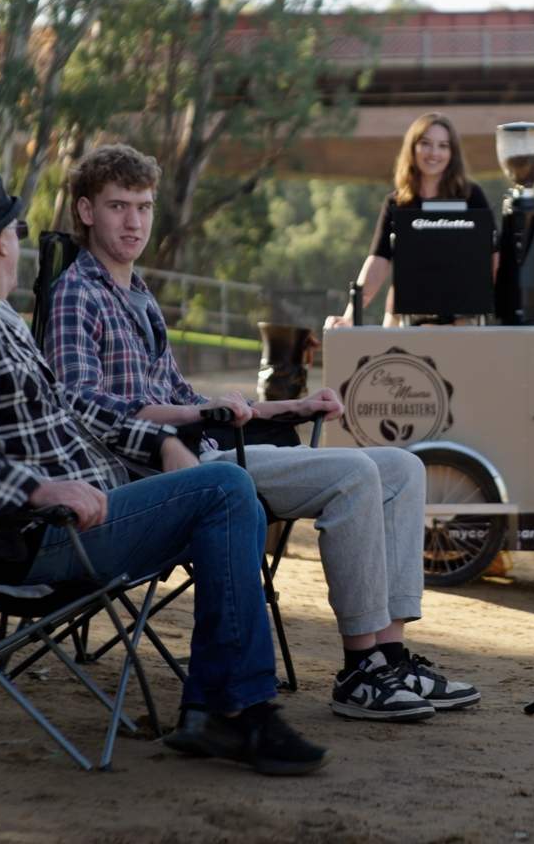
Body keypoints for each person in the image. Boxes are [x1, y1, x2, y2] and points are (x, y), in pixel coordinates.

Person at [0, 169, 328, 774]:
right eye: (13, 233)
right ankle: (233, 709)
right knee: (228, 488)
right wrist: (37, 488)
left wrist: (161, 440)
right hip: (33, 537)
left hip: (82, 512)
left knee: (229, 492)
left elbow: (71, 409)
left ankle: (217, 709)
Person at [45, 145, 481, 721]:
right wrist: (191, 418)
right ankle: (359, 672)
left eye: (144, 207)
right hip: (153, 474)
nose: (134, 222)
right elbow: (79, 404)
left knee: (404, 467)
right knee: (354, 474)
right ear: (84, 211)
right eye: (118, 206)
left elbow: (185, 398)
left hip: (208, 450)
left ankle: (389, 656)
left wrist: (285, 406)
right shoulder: (77, 292)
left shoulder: (137, 293)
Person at [326, 112, 492, 328]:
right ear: (413, 148)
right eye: (426, 144)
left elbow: (492, 256)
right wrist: (349, 316)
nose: (434, 153)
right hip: (403, 316)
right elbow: (378, 260)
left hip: (461, 317)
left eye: (443, 145)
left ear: (452, 153)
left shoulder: (471, 196)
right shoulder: (397, 202)